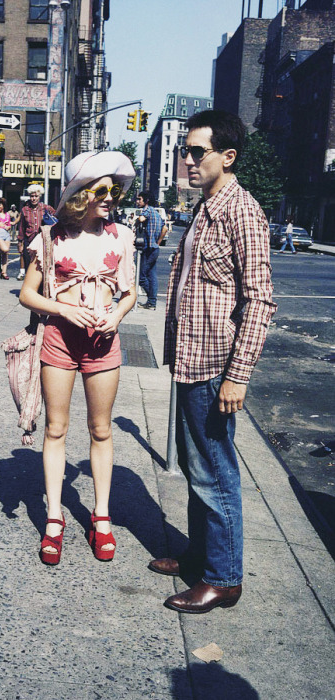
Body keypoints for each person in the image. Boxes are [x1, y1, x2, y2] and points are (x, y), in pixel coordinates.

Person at [149, 110, 276, 613]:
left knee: (214, 472)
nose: (188, 159)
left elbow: (260, 299)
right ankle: (200, 555)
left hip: (215, 367)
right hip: (191, 360)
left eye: (196, 151)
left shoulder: (240, 210)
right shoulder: (206, 207)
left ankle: (223, 578)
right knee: (194, 463)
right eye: (185, 150)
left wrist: (237, 375)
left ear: (227, 156)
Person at [19, 151, 136, 566]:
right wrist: (64, 309)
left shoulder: (120, 236)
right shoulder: (51, 238)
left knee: (101, 430)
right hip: (59, 340)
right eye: (101, 190)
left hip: (104, 343)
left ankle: (100, 519)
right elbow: (27, 294)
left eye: (114, 190)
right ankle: (54, 519)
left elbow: (130, 293)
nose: (110, 197)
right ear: (79, 195)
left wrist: (116, 315)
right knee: (56, 428)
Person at [135, 192, 167, 310]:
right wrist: (158, 242)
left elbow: (141, 218)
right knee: (151, 275)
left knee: (141, 276)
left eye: (139, 199)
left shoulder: (147, 210)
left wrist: (136, 222)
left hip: (148, 248)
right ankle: (151, 303)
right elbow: (165, 228)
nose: (137, 201)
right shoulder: (157, 213)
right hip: (154, 248)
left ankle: (151, 300)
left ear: (146, 200)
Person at [17, 184, 55, 281]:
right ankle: (29, 287)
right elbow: (21, 227)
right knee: (28, 264)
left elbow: (56, 217)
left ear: (39, 196)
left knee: (40, 265)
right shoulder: (24, 209)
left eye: (36, 196)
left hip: (41, 241)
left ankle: (40, 288)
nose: (33, 198)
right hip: (28, 240)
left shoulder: (46, 208)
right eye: (32, 196)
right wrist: (20, 243)